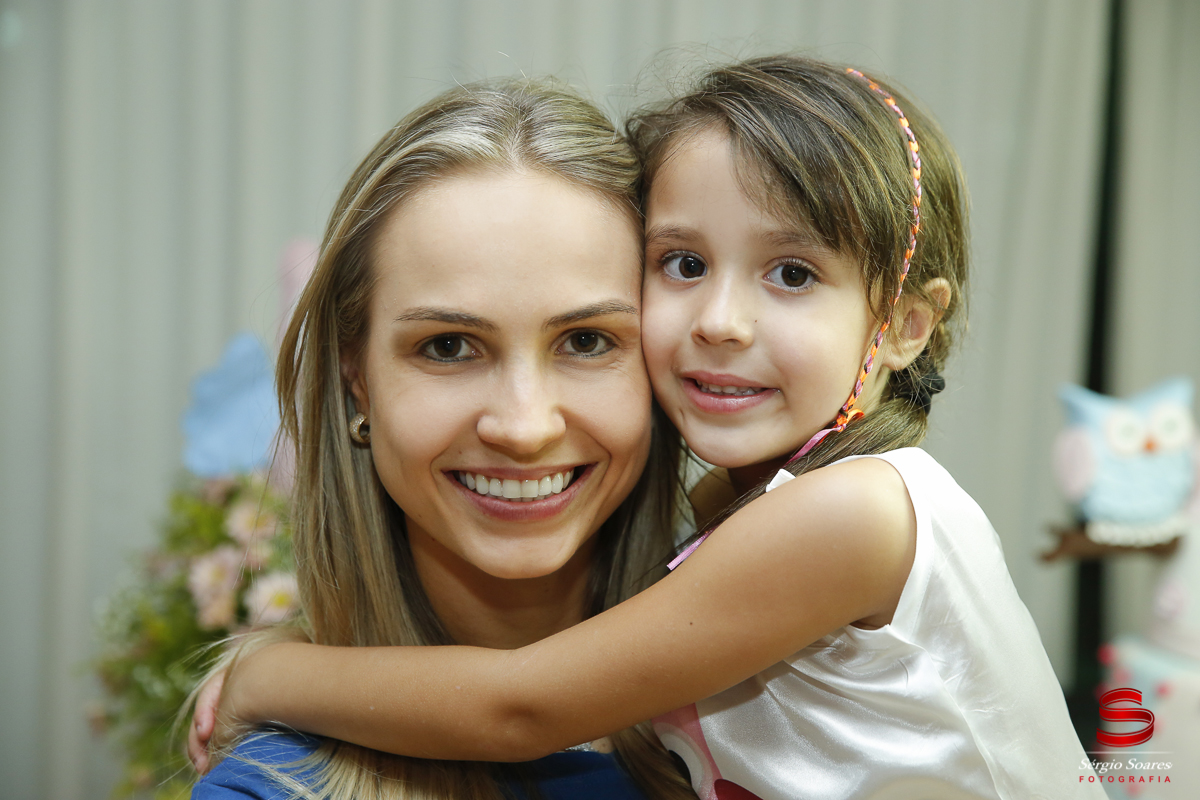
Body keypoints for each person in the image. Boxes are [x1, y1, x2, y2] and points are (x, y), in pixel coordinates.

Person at [196, 57, 1104, 799]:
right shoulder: (740, 509)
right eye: (683, 263)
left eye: (791, 273)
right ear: (352, 378)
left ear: (905, 321)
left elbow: (522, 707)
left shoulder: (852, 512)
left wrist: (272, 674)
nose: (721, 321)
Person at [188, 77, 697, 800]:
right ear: (356, 376)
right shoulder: (264, 791)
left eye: (585, 340)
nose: (524, 428)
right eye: (450, 347)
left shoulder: (795, 718)